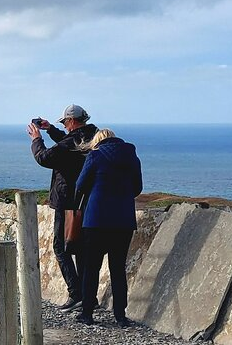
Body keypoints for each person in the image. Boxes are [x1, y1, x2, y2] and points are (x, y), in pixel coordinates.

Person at [27, 104, 98, 312]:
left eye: (66, 123)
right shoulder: (91, 135)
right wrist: (50, 129)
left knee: (61, 247)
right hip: (86, 199)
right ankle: (88, 296)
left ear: (73, 121)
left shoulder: (72, 140)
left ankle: (76, 294)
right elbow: (68, 143)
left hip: (67, 200)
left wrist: (36, 139)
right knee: (82, 249)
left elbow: (45, 158)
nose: (65, 127)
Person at [73, 129, 143, 327]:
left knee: (91, 267)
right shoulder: (132, 157)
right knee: (118, 269)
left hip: (96, 220)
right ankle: (120, 316)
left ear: (98, 141)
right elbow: (137, 188)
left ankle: (87, 313)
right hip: (123, 220)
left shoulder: (95, 156)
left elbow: (80, 185)